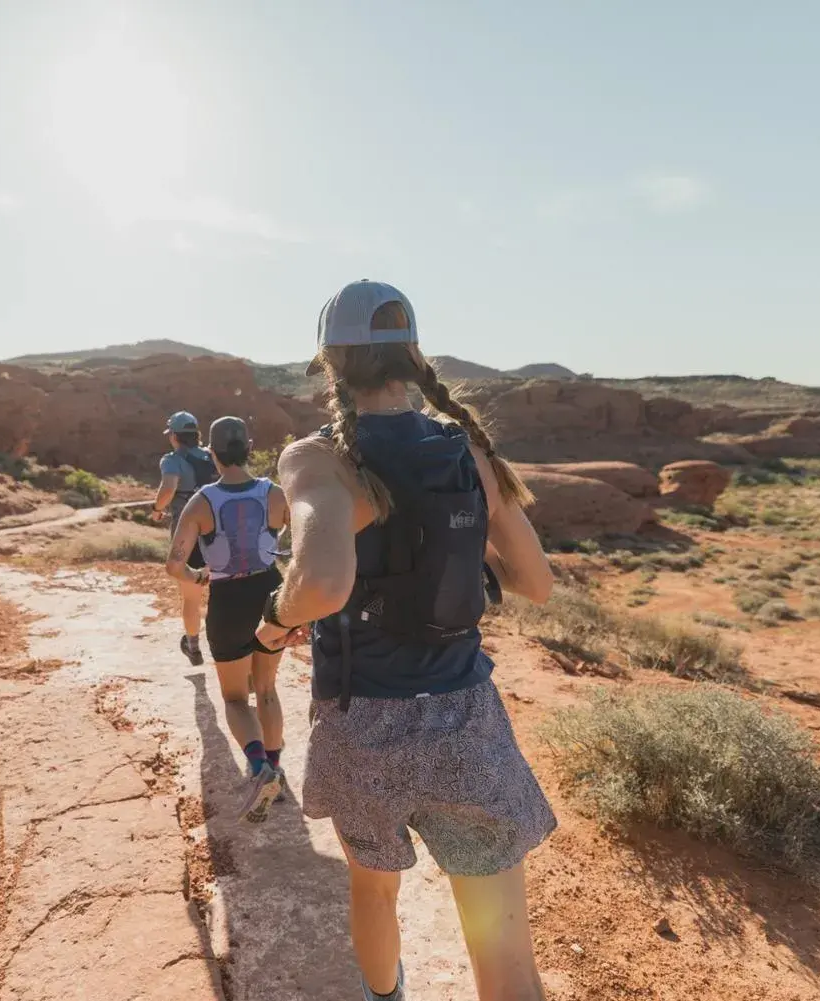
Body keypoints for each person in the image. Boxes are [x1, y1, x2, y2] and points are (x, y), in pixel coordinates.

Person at [254, 281, 557, 1001]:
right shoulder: (466, 451)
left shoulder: (316, 457)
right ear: (414, 357)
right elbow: (537, 582)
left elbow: (321, 584)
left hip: (363, 723)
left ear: (331, 363)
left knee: (375, 891)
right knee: (503, 952)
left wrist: (275, 617)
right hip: (465, 719)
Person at [166, 416, 292, 823]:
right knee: (267, 689)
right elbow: (306, 545)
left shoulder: (201, 501)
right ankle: (276, 769)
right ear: (249, 449)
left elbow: (174, 565)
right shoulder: (275, 494)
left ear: (212, 453)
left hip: (229, 600)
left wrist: (198, 577)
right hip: (271, 594)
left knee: (236, 698)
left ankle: (260, 769)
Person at [150, 410, 218, 665]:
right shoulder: (213, 456)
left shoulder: (172, 460)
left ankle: (193, 646)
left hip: (187, 535)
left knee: (191, 596)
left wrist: (157, 509)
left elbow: (168, 488)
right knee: (220, 594)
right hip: (217, 533)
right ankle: (223, 646)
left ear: (174, 436)